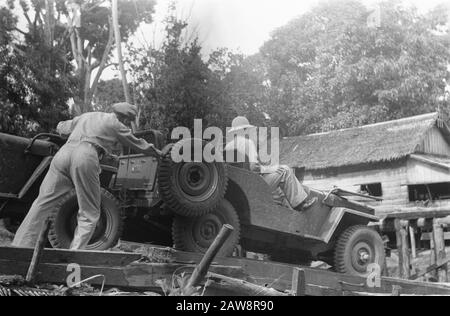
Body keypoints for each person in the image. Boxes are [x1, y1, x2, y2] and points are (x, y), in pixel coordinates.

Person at [12, 102, 161, 249]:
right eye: (129, 121)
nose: (128, 123)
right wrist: (159, 153)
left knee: (42, 203)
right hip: (85, 155)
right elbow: (140, 144)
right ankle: (73, 255)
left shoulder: (88, 115)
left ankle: (20, 248)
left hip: (63, 154)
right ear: (126, 119)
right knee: (89, 213)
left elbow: (61, 127)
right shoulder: (117, 125)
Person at [225, 116, 317, 211]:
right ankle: (300, 204)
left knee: (277, 174)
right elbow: (253, 168)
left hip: (239, 186)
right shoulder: (248, 143)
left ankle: (286, 205)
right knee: (285, 170)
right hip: (253, 185)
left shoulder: (228, 147)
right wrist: (271, 169)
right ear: (244, 129)